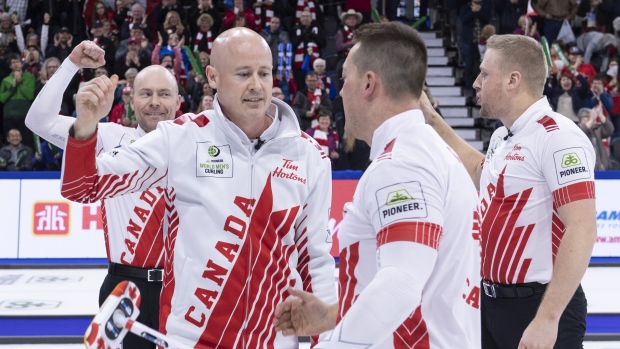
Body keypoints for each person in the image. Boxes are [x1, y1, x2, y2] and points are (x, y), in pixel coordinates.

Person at [59, 27, 336, 348]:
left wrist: (327, 339)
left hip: (273, 340)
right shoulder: (180, 138)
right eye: (243, 74)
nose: (257, 85)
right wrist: (86, 125)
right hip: (190, 339)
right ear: (213, 77)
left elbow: (315, 260)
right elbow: (83, 187)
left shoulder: (309, 155)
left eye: (264, 73)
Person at [274, 22, 481, 348]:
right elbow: (425, 284)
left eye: (344, 79)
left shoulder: (403, 164)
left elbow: (401, 282)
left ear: (369, 83)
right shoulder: (430, 152)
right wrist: (333, 316)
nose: (340, 92)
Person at [419, 34, 596, 348]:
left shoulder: (559, 137)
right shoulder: (504, 135)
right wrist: (433, 121)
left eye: (485, 73)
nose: (476, 82)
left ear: (513, 79)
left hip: (538, 306)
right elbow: (479, 171)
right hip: (491, 304)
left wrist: (547, 319)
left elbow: (581, 227)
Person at [25, 41, 175, 349]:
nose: (155, 102)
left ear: (179, 99)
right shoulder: (108, 136)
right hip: (124, 287)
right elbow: (38, 121)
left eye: (164, 94)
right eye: (146, 94)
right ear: (131, 100)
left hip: (183, 286)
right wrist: (70, 65)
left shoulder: (199, 144)